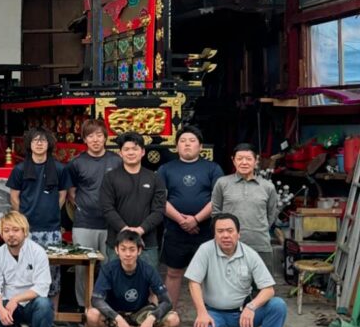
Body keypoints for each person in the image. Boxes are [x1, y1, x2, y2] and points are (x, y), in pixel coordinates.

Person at [185, 212, 287, 327]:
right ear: (214, 234)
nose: (225, 235)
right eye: (220, 231)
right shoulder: (205, 250)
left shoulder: (250, 254)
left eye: (230, 231)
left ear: (238, 234)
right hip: (214, 315)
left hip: (243, 314)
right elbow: (194, 282)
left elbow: (268, 289)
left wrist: (251, 307)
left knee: (277, 305)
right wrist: (201, 312)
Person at [6, 127, 69, 321]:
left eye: (43, 140)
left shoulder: (59, 168)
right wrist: (22, 220)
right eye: (35, 141)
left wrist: (49, 211)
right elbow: (14, 197)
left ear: (49, 143)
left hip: (51, 229)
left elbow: (62, 196)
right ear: (29, 144)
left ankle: (53, 316)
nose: (39, 143)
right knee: (25, 273)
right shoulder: (20, 169)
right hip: (27, 230)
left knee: (53, 273)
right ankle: (26, 315)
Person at [157, 127, 223, 309]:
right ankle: (169, 313)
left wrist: (196, 219)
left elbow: (217, 198)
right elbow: (160, 198)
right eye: (183, 140)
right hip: (175, 230)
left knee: (206, 274)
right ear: (176, 146)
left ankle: (209, 314)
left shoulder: (212, 168)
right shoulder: (166, 169)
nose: (187, 144)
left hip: (204, 231)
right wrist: (181, 220)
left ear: (200, 146)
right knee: (173, 272)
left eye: (192, 140)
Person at [86, 230, 181, 327]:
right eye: (123, 249)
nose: (128, 254)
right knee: (91, 314)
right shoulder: (108, 269)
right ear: (116, 250)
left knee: (173, 320)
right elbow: (96, 299)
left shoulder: (148, 270)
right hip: (114, 314)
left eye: (132, 249)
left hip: (140, 314)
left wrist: (152, 318)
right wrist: (118, 318)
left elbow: (167, 301)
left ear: (139, 251)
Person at [65, 119, 122, 310]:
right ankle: (84, 306)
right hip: (84, 222)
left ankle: (106, 308)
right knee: (82, 267)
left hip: (111, 224)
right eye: (90, 136)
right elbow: (71, 192)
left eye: (99, 135)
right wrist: (82, 206)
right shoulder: (76, 163)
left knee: (109, 267)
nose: (95, 140)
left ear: (106, 137)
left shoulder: (116, 160)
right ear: (84, 139)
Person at [99, 131, 166, 268]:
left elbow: (159, 210)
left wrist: (140, 230)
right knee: (116, 284)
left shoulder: (154, 178)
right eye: (126, 149)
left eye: (135, 149)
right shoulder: (110, 178)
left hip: (147, 243)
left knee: (148, 285)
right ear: (120, 153)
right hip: (117, 243)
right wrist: (125, 229)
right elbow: (107, 208)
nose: (130, 153)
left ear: (142, 152)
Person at [211, 144, 279, 274]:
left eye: (248, 159)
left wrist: (259, 229)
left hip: (260, 245)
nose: (244, 162)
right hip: (229, 245)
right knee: (229, 286)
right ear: (233, 160)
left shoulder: (267, 187)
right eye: (240, 158)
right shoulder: (222, 183)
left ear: (256, 160)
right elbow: (216, 212)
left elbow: (271, 215)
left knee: (261, 287)